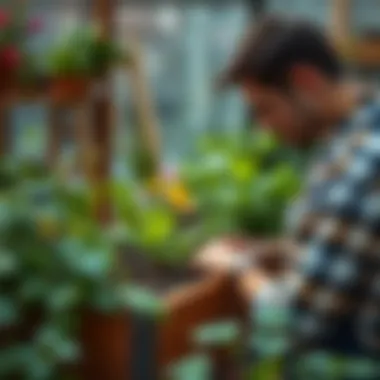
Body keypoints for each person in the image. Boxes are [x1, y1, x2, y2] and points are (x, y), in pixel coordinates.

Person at [196, 15, 380, 379]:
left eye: (266, 108)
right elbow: (353, 246)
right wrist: (273, 249)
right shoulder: (352, 133)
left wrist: (238, 269)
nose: (265, 127)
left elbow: (296, 322)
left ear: (305, 81)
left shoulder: (364, 162)